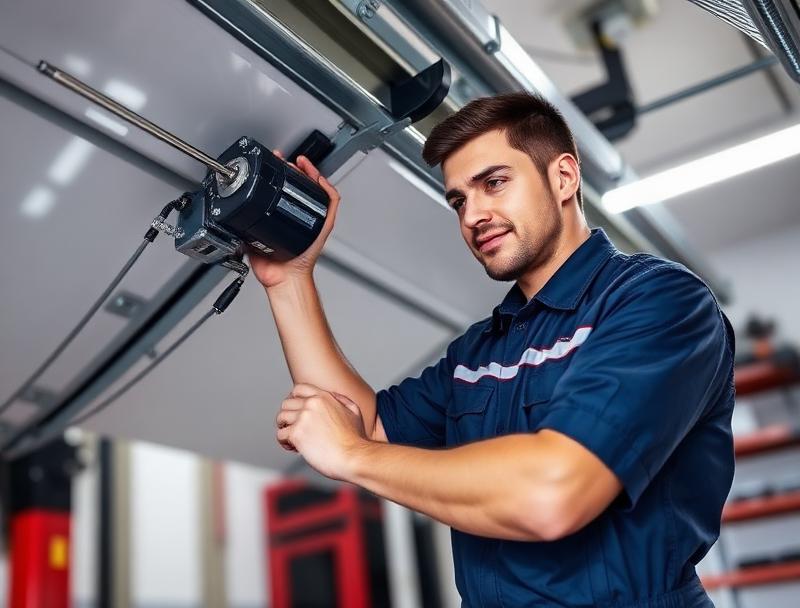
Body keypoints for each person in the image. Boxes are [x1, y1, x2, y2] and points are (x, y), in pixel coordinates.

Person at [253, 92, 735, 607]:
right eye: (459, 200)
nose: (473, 214)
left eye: (494, 183)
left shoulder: (659, 300)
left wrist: (352, 456)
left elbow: (555, 492)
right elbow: (363, 424)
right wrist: (290, 280)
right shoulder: (478, 353)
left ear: (564, 178)